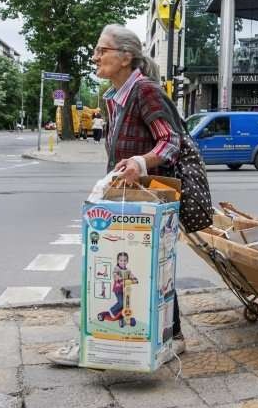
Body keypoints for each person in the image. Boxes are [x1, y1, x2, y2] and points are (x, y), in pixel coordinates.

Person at [47, 23, 185, 367]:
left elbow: (170, 142)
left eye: (101, 50)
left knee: (112, 269)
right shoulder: (117, 97)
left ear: (125, 57)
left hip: (144, 200)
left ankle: (98, 341)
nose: (94, 57)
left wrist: (140, 162)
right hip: (127, 197)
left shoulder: (144, 92)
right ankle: (170, 335)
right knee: (148, 268)